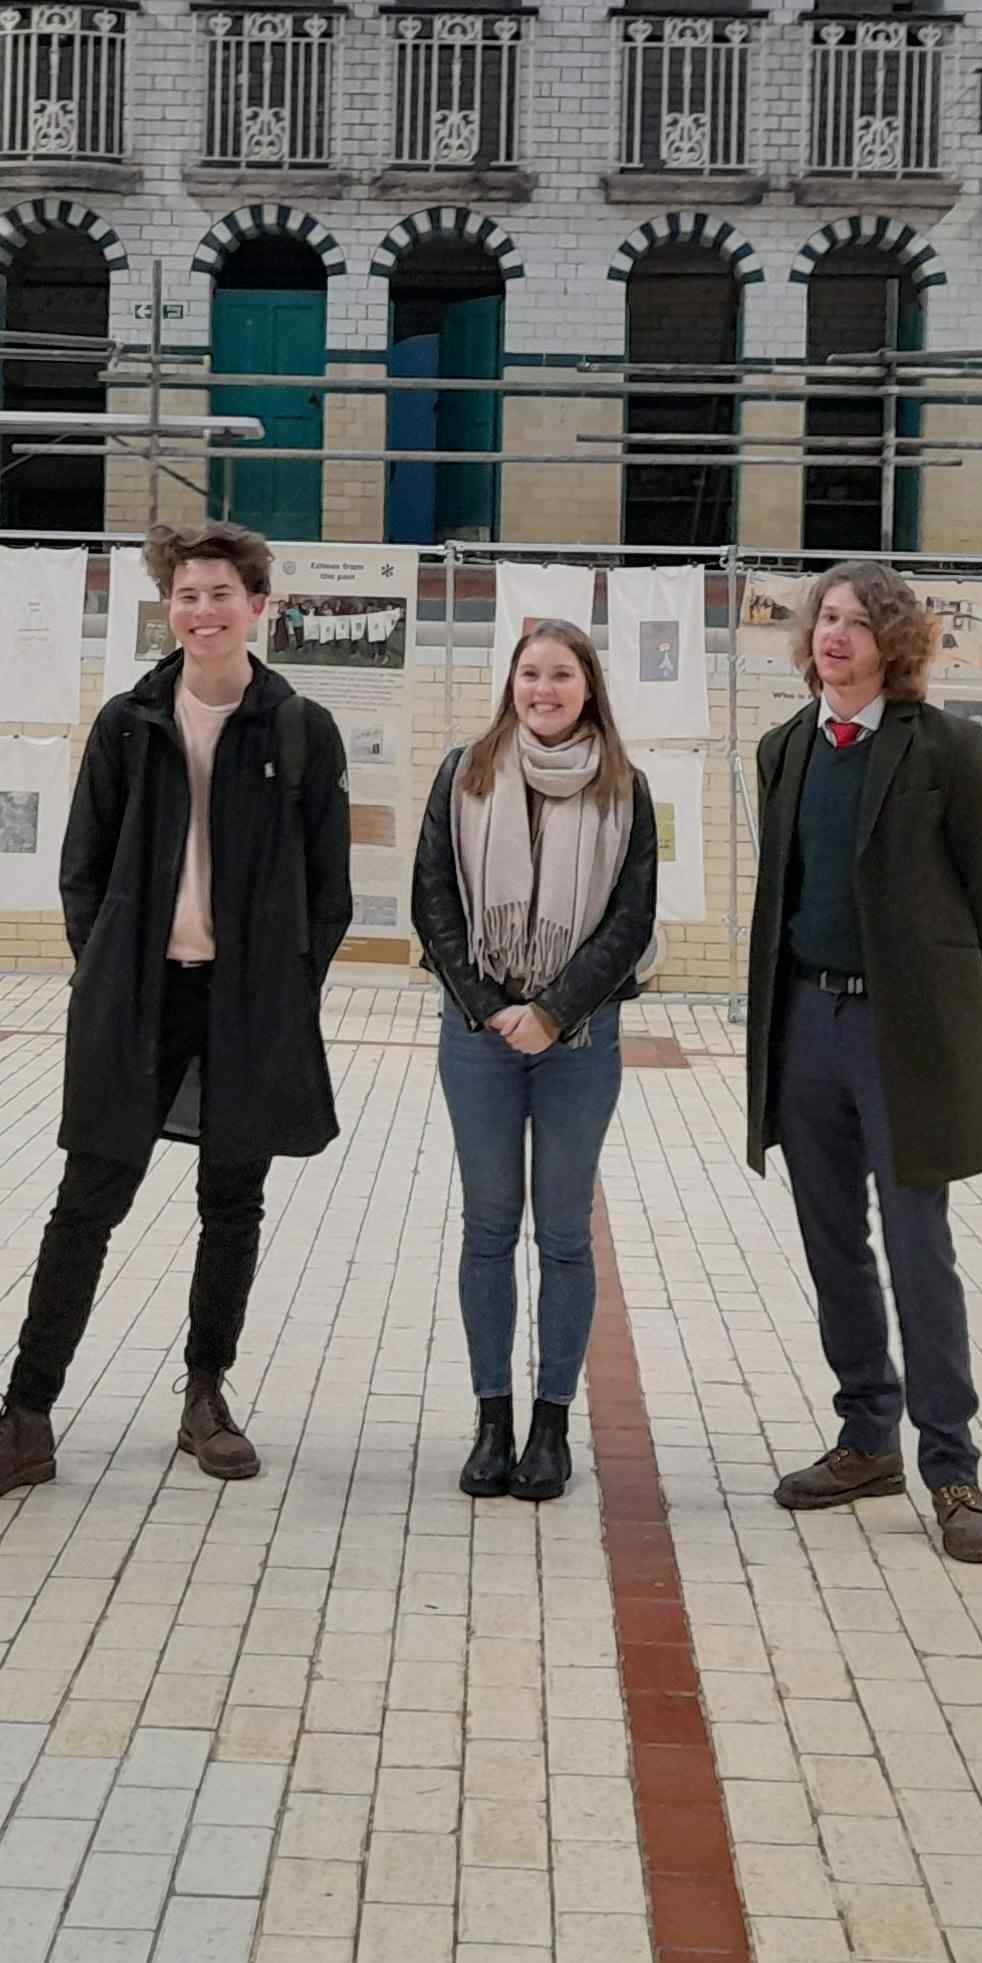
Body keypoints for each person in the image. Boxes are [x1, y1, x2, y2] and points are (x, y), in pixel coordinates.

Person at [0, 519, 352, 1506]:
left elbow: (328, 891)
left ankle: (205, 1395)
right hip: (141, 995)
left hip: (247, 1001)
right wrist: (110, 968)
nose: (202, 611)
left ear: (258, 606)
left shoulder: (299, 726)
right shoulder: (129, 721)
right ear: (170, 608)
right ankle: (27, 1414)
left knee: (231, 1205)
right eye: (186, 595)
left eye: (220, 595)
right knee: (86, 1203)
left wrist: (285, 987)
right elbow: (82, 866)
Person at [741, 560, 982, 1563]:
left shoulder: (947, 748)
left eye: (858, 623)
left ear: (892, 643)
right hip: (805, 1027)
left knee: (918, 1249)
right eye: (827, 618)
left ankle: (951, 1465)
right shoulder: (784, 750)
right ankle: (867, 1438)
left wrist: (938, 1012)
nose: (836, 635)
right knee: (833, 1246)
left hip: (900, 1035)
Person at [411, 618, 658, 1503]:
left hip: (579, 1041)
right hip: (478, 1037)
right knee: (487, 1228)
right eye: (529, 675)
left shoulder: (627, 789)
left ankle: (551, 1428)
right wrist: (492, 1008)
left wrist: (552, 1013)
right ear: (509, 684)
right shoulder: (464, 773)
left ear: (589, 687)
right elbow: (431, 899)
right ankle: (491, 1423)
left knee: (561, 1233)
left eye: (560, 675)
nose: (542, 690)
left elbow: (632, 922)